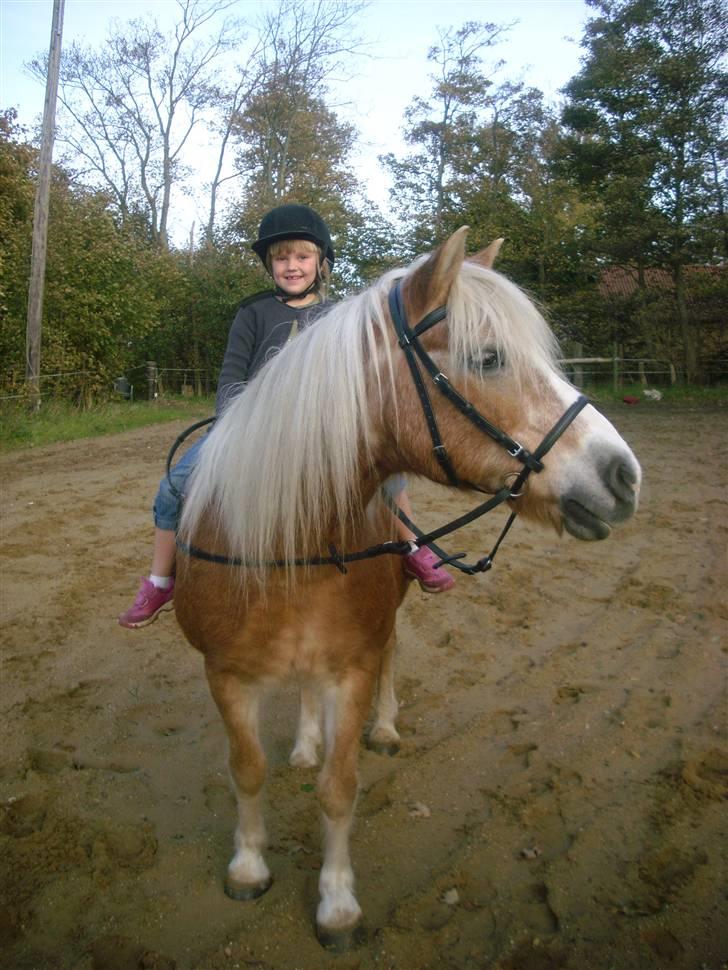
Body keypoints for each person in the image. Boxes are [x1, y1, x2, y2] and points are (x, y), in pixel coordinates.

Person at [118, 204, 454, 628]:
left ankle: (412, 547)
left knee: (390, 475)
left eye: (301, 257)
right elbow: (231, 378)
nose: (291, 266)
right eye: (281, 258)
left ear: (321, 262)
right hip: (250, 429)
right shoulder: (252, 313)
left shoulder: (339, 317)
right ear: (269, 264)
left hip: (326, 429)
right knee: (172, 489)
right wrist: (236, 428)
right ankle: (160, 579)